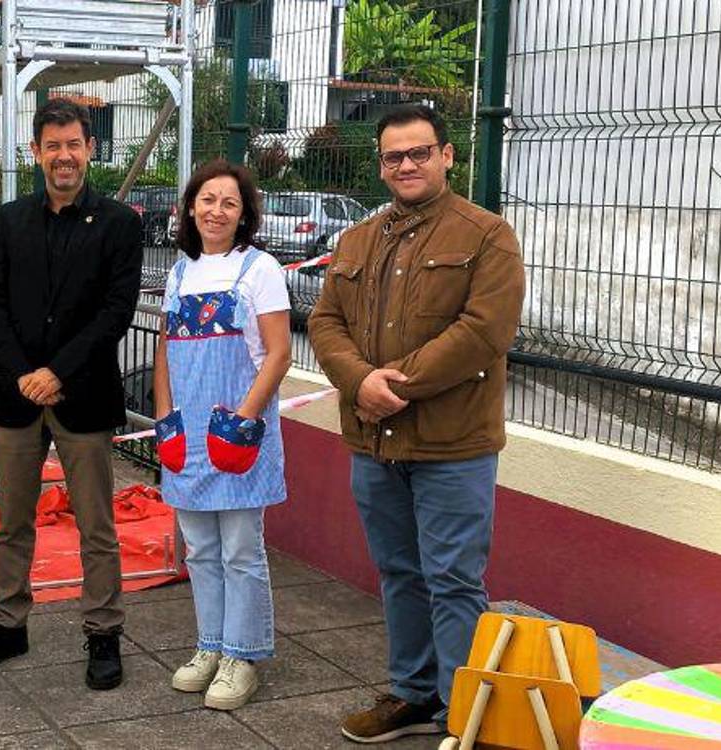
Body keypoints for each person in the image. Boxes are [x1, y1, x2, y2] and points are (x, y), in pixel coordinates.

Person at [308, 103, 525, 743]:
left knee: (453, 580)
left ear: (447, 156)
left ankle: (464, 715)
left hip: (453, 447)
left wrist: (391, 384)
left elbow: (484, 331)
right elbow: (325, 322)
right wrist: (358, 381)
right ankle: (412, 693)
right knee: (399, 573)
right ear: (381, 165)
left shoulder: (487, 236)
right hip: (374, 443)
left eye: (419, 152)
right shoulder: (357, 240)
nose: (406, 165)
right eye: (393, 156)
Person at [0, 98, 144, 690]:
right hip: (16, 398)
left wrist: (56, 373)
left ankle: (103, 631)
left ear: (91, 149)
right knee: (12, 522)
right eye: (53, 145)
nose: (64, 156)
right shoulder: (10, 219)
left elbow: (116, 311)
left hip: (83, 396)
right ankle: (8, 624)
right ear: (36, 152)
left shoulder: (119, 223)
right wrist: (21, 374)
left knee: (96, 526)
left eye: (74, 144)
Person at [153, 159, 291, 710]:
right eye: (207, 200)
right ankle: (210, 644)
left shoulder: (260, 269)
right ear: (190, 208)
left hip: (238, 434)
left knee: (240, 550)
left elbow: (278, 353)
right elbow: (166, 351)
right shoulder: (179, 273)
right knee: (201, 550)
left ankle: (243, 654)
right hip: (185, 435)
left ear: (243, 214)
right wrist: (164, 418)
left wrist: (243, 421)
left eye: (229, 203)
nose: (217, 211)